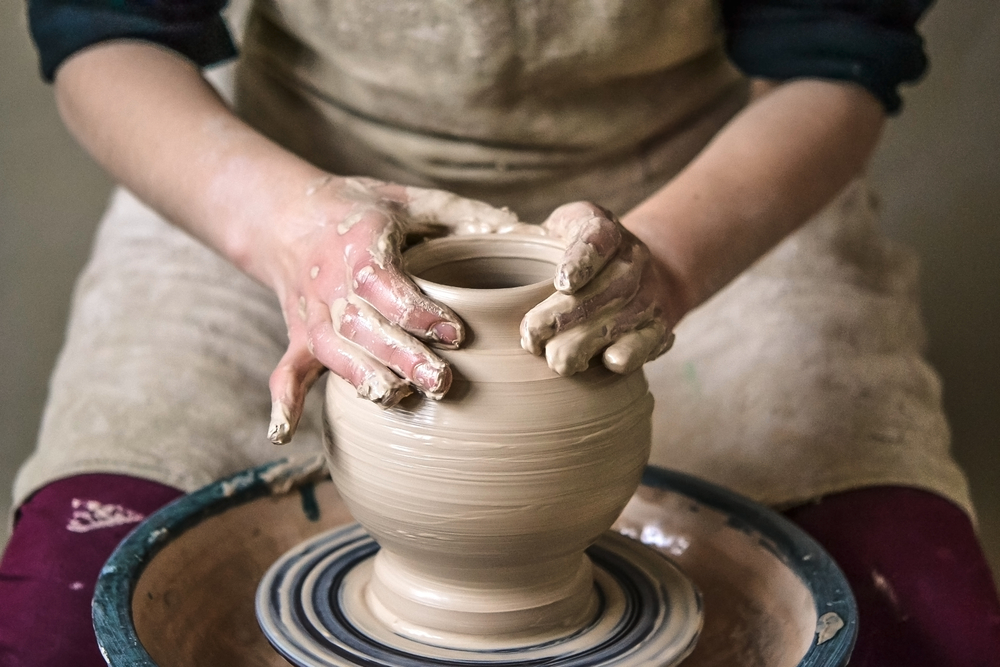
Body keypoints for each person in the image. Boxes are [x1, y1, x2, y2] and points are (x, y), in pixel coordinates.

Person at [2, 0, 999, 665]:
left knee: (907, 623)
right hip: (283, 191)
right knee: (62, 621)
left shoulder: (688, 229)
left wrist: (673, 261)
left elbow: (836, 49)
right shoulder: (283, 213)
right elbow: (105, 26)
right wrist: (282, 226)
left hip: (704, 194)